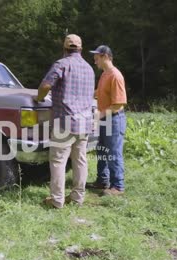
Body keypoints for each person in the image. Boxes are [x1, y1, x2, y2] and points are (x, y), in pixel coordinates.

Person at [34, 34, 95, 208]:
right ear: (81, 48)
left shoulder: (62, 64)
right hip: (84, 123)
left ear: (64, 48)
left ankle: (57, 200)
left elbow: (46, 86)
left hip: (65, 123)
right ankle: (77, 199)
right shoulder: (89, 68)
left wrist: (39, 98)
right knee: (80, 161)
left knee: (58, 161)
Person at [87, 45, 127, 196]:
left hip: (114, 120)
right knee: (102, 151)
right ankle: (102, 181)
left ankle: (118, 187)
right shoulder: (105, 74)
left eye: (96, 57)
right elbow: (100, 92)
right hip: (105, 120)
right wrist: (87, 94)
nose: (94, 60)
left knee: (113, 153)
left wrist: (99, 115)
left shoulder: (115, 76)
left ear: (105, 56)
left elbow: (118, 104)